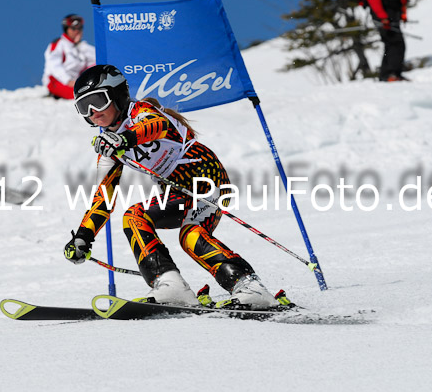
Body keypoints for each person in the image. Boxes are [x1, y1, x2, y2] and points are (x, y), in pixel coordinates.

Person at [63, 65, 286, 309]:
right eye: (84, 107)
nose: (93, 112)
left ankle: (250, 288)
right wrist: (84, 237)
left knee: (191, 235)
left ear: (117, 95)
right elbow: (103, 198)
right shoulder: (109, 149)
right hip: (177, 193)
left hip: (206, 177)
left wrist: (126, 139)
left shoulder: (141, 113)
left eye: (97, 101)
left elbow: (156, 126)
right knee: (134, 217)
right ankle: (170, 285)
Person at [42, 14, 95, 99]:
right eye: (73, 29)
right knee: (85, 95)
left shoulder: (82, 47)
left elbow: (99, 57)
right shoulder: (59, 44)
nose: (77, 31)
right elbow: (53, 65)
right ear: (67, 30)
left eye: (80, 28)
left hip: (76, 81)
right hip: (58, 81)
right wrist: (68, 81)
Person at [365, 0, 410, 82]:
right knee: (396, 43)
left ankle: (386, 74)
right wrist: (382, 17)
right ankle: (391, 74)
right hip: (384, 18)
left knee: (391, 44)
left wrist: (403, 14)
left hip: (391, 16)